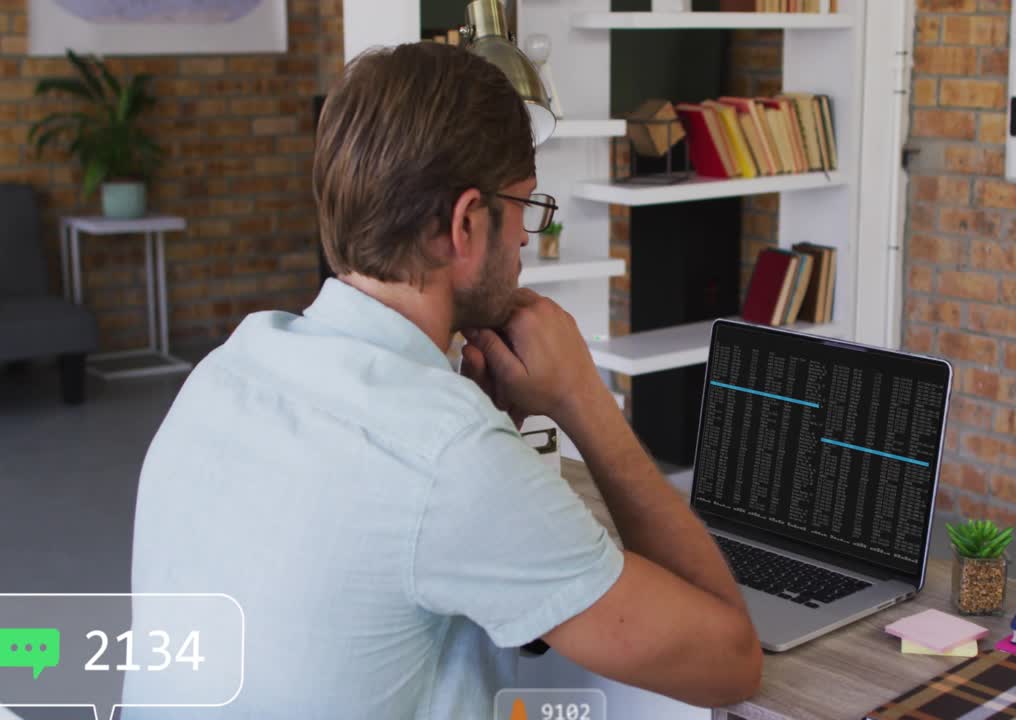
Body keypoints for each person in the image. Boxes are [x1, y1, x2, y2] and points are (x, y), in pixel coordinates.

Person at [123, 41, 761, 718]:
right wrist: (582, 398)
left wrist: (485, 436)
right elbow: (730, 663)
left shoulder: (227, 368)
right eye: (524, 205)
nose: (523, 238)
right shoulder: (448, 457)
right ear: (464, 224)